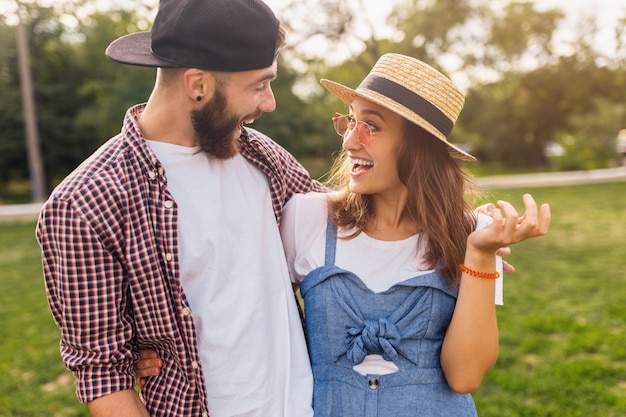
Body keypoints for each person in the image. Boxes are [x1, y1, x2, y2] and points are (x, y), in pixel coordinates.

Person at [137, 53, 550, 415]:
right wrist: (154, 344)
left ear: (418, 146)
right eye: (349, 122)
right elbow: (239, 303)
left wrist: (479, 255)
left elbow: (464, 376)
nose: (350, 141)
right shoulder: (307, 218)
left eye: (371, 126)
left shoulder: (475, 236)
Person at [35, 0, 325, 416]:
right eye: (259, 85)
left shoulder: (264, 158)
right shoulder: (86, 204)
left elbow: (344, 224)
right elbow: (104, 376)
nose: (269, 103)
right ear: (198, 84)